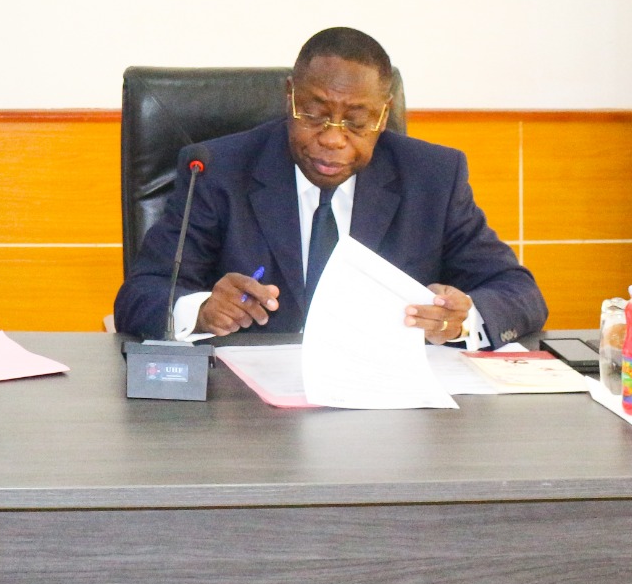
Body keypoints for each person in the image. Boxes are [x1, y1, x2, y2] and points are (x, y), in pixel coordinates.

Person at [113, 27, 547, 347]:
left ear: (383, 114)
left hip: (386, 409)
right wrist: (202, 310)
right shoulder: (218, 170)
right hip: (249, 417)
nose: (333, 138)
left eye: (356, 121)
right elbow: (141, 293)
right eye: (315, 114)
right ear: (290, 97)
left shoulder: (432, 177)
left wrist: (462, 319)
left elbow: (519, 292)